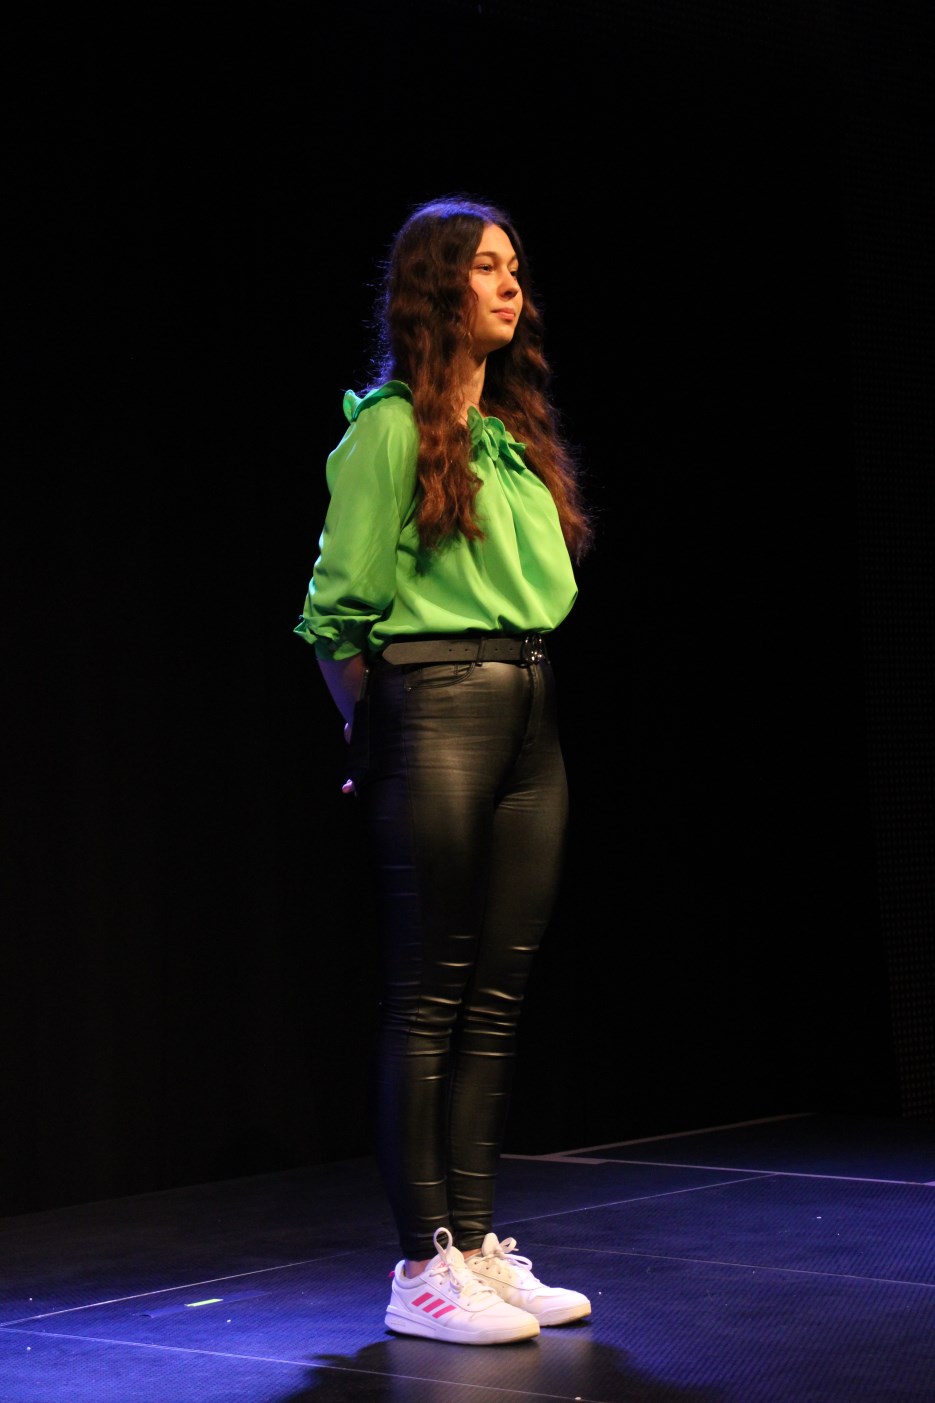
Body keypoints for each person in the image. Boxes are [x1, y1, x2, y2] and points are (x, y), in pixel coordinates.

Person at [295, 194, 594, 1346]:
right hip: (434, 705)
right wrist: (368, 738)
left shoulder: (508, 437)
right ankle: (421, 1265)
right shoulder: (386, 430)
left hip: (528, 705)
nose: (508, 284)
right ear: (434, 287)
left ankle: (474, 1245)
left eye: (513, 265)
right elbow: (335, 616)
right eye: (483, 266)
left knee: (496, 997)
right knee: (428, 993)